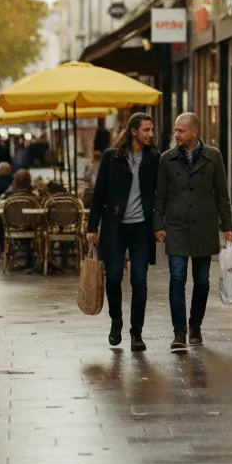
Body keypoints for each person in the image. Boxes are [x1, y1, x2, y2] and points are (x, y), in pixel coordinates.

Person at [154, 112, 232, 350]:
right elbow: (160, 195)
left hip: (204, 226)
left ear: (194, 132)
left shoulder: (213, 156)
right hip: (177, 225)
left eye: (181, 131)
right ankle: (179, 333)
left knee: (202, 281)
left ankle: (195, 325)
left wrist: (227, 226)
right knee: (176, 279)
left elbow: (221, 193)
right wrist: (158, 224)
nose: (176, 135)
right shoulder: (167, 159)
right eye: (175, 130)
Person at [87, 114, 159, 352]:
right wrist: (91, 228)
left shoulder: (153, 159)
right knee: (115, 276)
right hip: (115, 228)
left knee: (139, 279)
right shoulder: (111, 157)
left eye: (152, 130)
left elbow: (158, 197)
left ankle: (136, 332)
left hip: (141, 228)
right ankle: (116, 321)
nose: (151, 134)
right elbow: (98, 195)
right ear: (133, 132)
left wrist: (159, 225)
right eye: (146, 130)